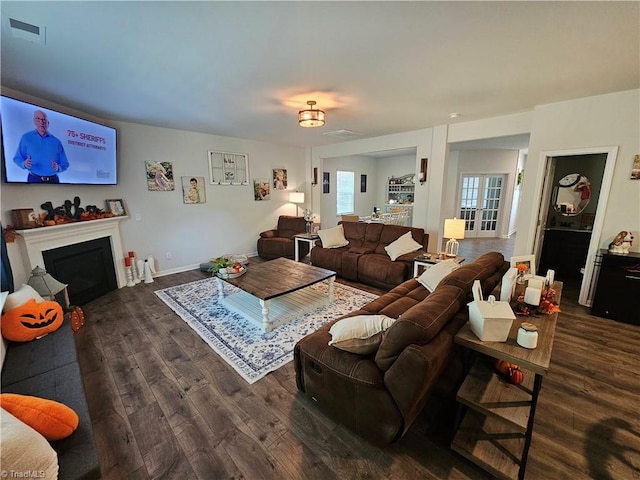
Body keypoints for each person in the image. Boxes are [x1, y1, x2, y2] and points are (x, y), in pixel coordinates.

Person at [13, 110, 69, 183]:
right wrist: (24, 164)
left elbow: (65, 163)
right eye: (38, 119)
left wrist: (58, 167)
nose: (41, 122)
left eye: (44, 120)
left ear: (48, 123)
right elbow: (17, 158)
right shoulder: (26, 138)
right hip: (34, 179)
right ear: (34, 121)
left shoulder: (56, 142)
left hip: (53, 181)